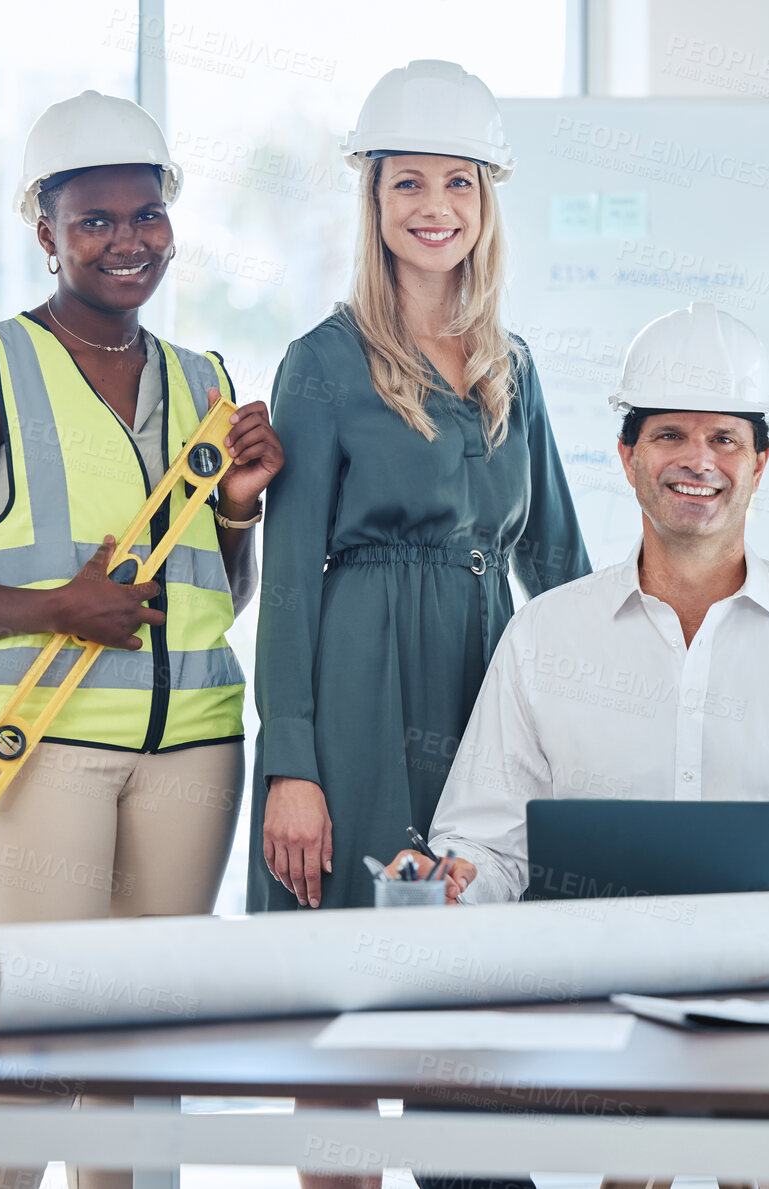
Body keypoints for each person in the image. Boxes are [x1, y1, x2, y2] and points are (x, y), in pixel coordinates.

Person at [0, 90, 281, 1189]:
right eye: (94, 220)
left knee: (140, 1071)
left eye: (145, 215)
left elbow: (212, 596)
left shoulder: (205, 379)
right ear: (45, 230)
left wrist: (240, 508)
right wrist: (59, 606)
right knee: (26, 1064)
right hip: (41, 746)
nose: (126, 241)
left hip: (196, 751)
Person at [399, 303, 769, 941]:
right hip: (595, 986)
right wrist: (448, 881)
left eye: (724, 439)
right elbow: (487, 848)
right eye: (670, 435)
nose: (698, 461)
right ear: (628, 456)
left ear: (760, 464)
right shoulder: (543, 636)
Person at [250, 59, 590, 915]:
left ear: (485, 202)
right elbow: (287, 580)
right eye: (408, 183)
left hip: (491, 686)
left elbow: (558, 563)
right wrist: (290, 762)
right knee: (362, 940)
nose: (435, 208)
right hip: (362, 691)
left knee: (480, 930)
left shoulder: (512, 369)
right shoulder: (321, 363)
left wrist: (606, 709)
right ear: (373, 199)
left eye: (458, 184)